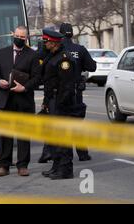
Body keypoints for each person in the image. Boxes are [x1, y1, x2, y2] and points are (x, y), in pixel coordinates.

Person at [0, 26, 42, 177]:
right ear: (13, 35)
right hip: (6, 99)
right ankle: (4, 165)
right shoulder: (2, 52)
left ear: (26, 38)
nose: (19, 39)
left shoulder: (33, 55)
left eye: (22, 37)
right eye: (17, 36)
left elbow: (37, 78)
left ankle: (22, 165)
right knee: (5, 134)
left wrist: (25, 87)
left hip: (23, 100)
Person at [40, 28, 77, 180]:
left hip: (62, 103)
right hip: (52, 100)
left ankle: (66, 169)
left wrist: (60, 105)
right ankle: (56, 166)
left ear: (54, 42)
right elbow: (49, 81)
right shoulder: (52, 56)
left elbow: (67, 86)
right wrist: (46, 102)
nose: (44, 43)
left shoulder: (64, 59)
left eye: (46, 41)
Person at [60, 23, 96, 161]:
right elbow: (92, 67)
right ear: (72, 34)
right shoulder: (79, 49)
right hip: (76, 92)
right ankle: (83, 154)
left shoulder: (56, 49)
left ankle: (61, 156)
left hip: (60, 92)